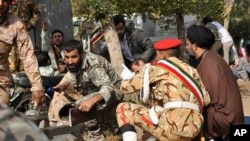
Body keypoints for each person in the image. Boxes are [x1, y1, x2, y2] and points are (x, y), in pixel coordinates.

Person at [116, 38, 211, 141]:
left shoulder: (157, 68)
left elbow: (125, 88)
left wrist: (129, 77)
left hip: (172, 127)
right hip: (194, 128)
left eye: (157, 54)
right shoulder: (192, 71)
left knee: (123, 108)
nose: (156, 57)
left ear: (164, 55)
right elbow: (206, 100)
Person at [48, 40, 123, 141]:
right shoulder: (74, 63)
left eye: (73, 57)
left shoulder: (92, 64)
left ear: (81, 54)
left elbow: (108, 88)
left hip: (114, 92)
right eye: (67, 57)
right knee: (62, 99)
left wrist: (92, 100)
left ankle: (96, 135)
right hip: (94, 89)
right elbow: (73, 74)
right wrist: (63, 85)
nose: (70, 61)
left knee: (80, 104)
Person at [186, 25, 244, 141]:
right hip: (230, 118)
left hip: (225, 120)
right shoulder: (212, 58)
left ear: (195, 46)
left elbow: (202, 99)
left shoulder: (209, 64)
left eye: (187, 45)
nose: (187, 49)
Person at [0, 0, 45, 108]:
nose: (0, 4)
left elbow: (28, 55)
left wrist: (37, 85)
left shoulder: (16, 24)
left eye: (4, 0)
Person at [8, 0, 40, 73]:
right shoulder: (4, 2)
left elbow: (36, 14)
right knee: (10, 66)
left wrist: (30, 25)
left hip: (23, 36)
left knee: (24, 65)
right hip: (9, 37)